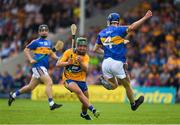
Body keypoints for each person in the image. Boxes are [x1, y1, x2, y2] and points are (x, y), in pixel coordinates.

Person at [93, 10, 152, 111]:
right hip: (117, 63)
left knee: (115, 85)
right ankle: (133, 104)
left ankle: (107, 83)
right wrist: (145, 18)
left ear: (109, 21)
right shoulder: (119, 30)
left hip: (106, 63)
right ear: (117, 21)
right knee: (127, 85)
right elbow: (133, 27)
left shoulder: (101, 33)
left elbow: (95, 49)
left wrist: (107, 52)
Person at [8, 24, 62, 110]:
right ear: (39, 32)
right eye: (42, 30)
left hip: (43, 67)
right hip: (38, 66)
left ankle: (13, 95)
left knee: (30, 87)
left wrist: (58, 58)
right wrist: (30, 59)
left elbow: (51, 54)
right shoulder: (36, 42)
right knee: (49, 82)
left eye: (45, 30)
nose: (44, 31)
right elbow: (26, 50)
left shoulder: (49, 43)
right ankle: (51, 104)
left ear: (47, 31)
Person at [56, 37, 100, 120]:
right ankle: (93, 109)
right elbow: (57, 64)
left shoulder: (86, 57)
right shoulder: (69, 52)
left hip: (81, 80)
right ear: (77, 46)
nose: (82, 48)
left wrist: (80, 62)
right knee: (79, 92)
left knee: (85, 100)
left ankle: (84, 114)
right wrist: (67, 63)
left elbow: (86, 69)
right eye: (80, 46)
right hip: (68, 79)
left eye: (84, 46)